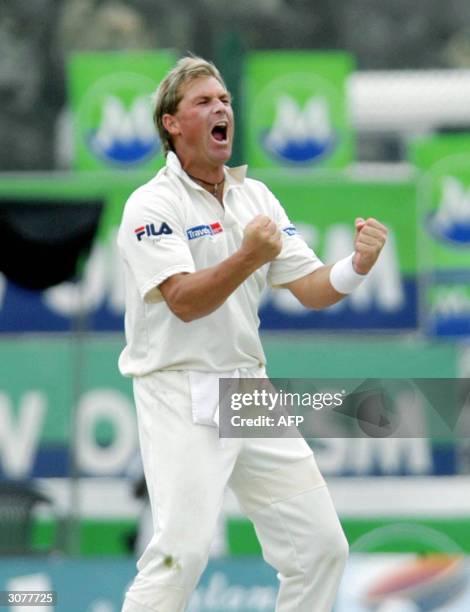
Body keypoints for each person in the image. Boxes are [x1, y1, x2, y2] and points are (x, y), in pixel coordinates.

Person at [117, 56, 387, 612]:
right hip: (179, 388)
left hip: (246, 391)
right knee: (181, 557)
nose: (221, 109)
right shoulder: (151, 204)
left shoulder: (254, 197)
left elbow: (312, 288)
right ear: (172, 123)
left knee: (321, 550)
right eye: (203, 102)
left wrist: (356, 267)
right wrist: (247, 256)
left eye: (225, 101)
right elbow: (185, 302)